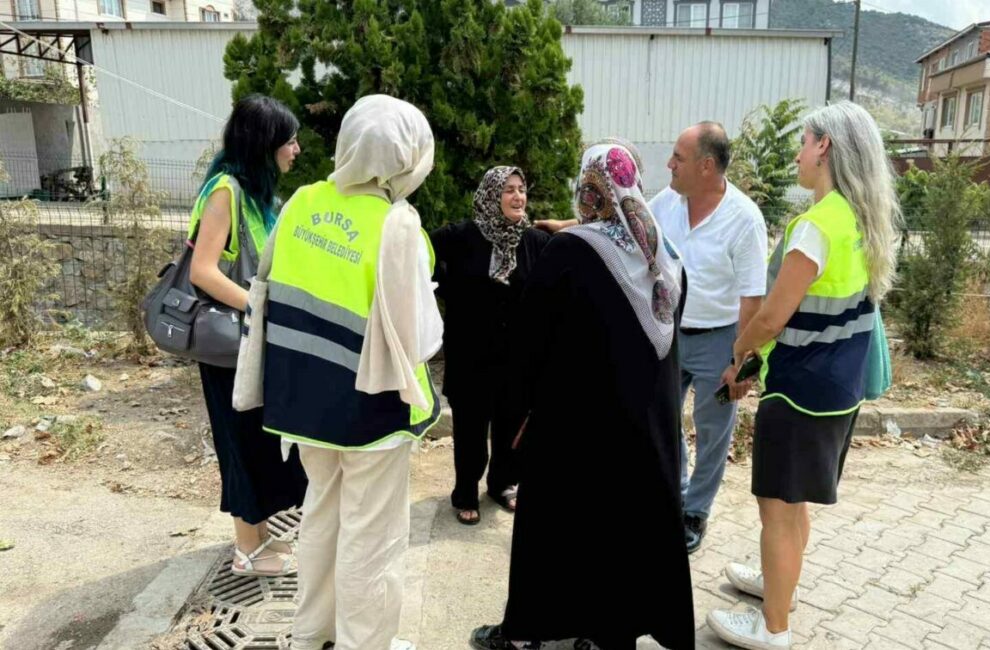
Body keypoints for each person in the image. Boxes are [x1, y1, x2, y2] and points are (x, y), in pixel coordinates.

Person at [471, 142, 694, 650]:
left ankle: (525, 631)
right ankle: (609, 634)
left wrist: (517, 410)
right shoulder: (665, 254)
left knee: (556, 530)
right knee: (624, 533)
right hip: (647, 430)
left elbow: (530, 340)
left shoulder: (572, 251)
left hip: (575, 427)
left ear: (590, 188)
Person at [244, 94, 442, 650]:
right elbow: (423, 338)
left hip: (302, 402)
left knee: (322, 516)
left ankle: (311, 634)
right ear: (407, 158)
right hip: (371, 413)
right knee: (371, 535)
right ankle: (364, 643)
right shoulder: (397, 224)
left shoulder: (301, 202)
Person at [707, 100, 901, 650]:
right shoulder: (860, 218)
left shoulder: (815, 226)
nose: (798, 152)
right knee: (794, 505)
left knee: (777, 508)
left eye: (804, 140)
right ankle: (779, 589)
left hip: (799, 392)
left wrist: (737, 355)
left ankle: (773, 629)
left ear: (825, 148)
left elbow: (771, 316)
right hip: (838, 389)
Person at [537, 123, 769, 554]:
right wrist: (568, 226)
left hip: (720, 339)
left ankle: (695, 511)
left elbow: (752, 299)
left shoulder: (744, 218)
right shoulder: (667, 203)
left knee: (713, 429)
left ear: (705, 165)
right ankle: (672, 494)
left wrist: (742, 362)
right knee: (663, 420)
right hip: (666, 335)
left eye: (678, 158)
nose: (669, 164)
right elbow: (623, 213)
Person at [188, 93, 307, 578]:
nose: (296, 148)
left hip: (252, 342)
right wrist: (261, 304)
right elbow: (203, 271)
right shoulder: (226, 192)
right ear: (266, 143)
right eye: (290, 139)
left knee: (258, 440)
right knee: (238, 440)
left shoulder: (257, 194)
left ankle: (256, 536)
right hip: (228, 345)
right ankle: (246, 550)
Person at [430, 167, 550, 525]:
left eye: (522, 189)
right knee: (469, 427)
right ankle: (466, 491)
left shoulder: (534, 242)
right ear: (490, 195)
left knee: (509, 424)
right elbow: (420, 253)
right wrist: (446, 290)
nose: (518, 197)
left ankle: (502, 483)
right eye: (508, 190)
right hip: (471, 354)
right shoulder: (461, 236)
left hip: (516, 357)